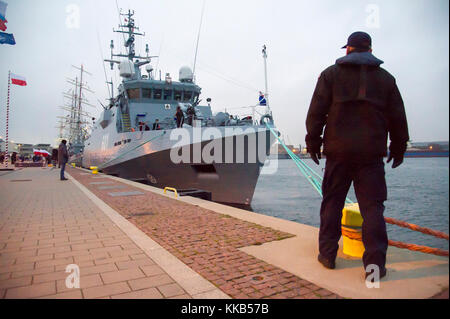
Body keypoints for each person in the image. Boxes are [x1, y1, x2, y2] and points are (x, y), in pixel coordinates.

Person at [305, 31, 409, 280]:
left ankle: (328, 255)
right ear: (371, 50)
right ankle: (375, 267)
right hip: (370, 155)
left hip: (338, 153)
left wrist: (313, 142)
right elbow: (398, 117)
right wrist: (398, 147)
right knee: (372, 209)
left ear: (348, 50)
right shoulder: (386, 79)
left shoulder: (330, 75)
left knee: (332, 202)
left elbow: (316, 112)